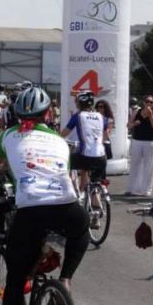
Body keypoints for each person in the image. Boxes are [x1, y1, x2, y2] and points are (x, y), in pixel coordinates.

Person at [0, 87, 89, 305]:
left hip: (31, 211)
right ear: (48, 114)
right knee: (81, 229)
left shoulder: (7, 136)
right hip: (68, 207)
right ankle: (65, 279)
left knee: (15, 279)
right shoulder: (59, 141)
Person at [60, 91, 106, 225]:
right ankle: (96, 212)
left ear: (80, 103)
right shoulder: (100, 116)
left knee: (66, 164)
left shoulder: (78, 116)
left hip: (85, 154)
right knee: (95, 183)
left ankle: (72, 194)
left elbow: (64, 133)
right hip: (101, 156)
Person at [126, 95, 153, 196]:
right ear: (143, 102)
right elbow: (128, 125)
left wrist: (151, 116)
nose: (149, 104)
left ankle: (146, 190)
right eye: (147, 101)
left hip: (150, 141)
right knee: (135, 164)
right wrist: (134, 124)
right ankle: (132, 188)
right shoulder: (137, 111)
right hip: (137, 140)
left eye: (151, 102)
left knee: (149, 166)